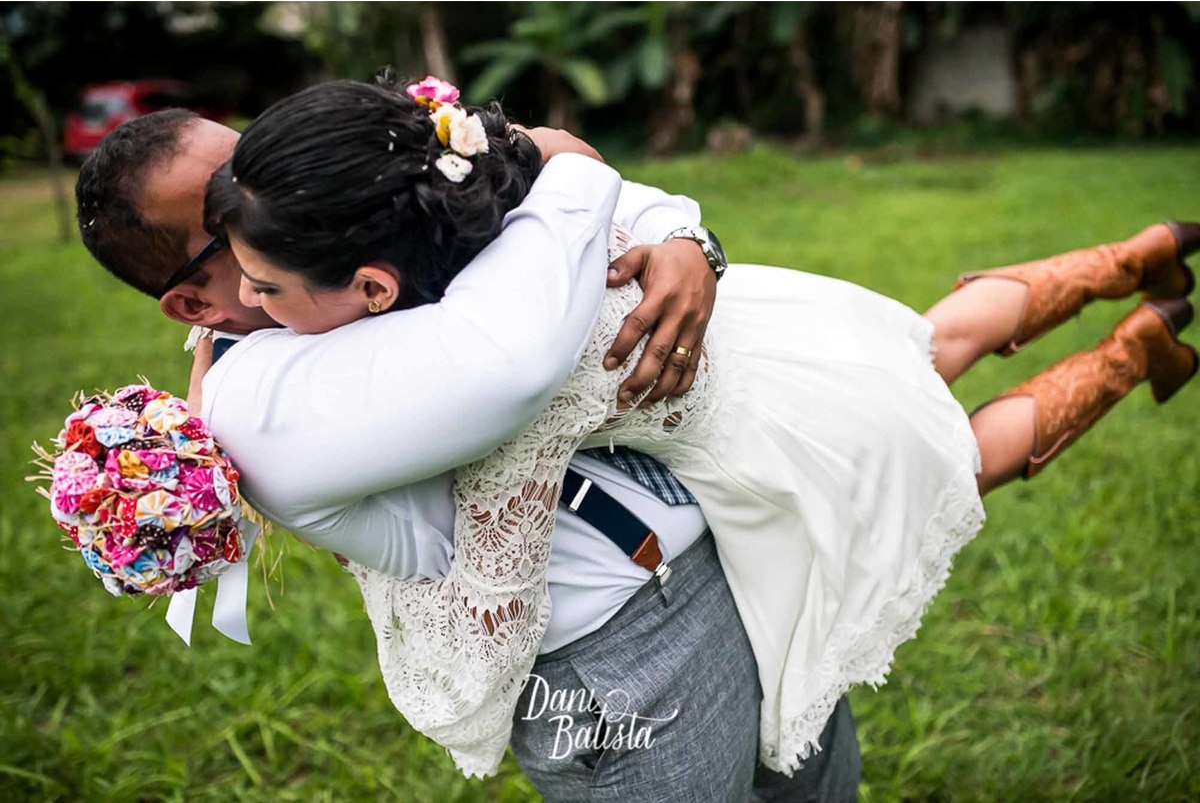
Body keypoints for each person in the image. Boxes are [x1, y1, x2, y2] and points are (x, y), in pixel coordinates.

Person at [202, 78, 1198, 779]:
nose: (245, 301)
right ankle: (1132, 252)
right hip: (785, 332)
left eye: (267, 284)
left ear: (373, 284)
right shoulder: (507, 237)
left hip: (772, 438)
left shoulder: (497, 364)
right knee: (932, 345)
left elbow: (469, 551)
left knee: (958, 461)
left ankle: (1136, 346)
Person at [76, 106, 861, 802]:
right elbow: (506, 357)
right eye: (225, 214)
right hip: (614, 654)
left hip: (719, 553)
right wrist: (557, 155)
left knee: (816, 775)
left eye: (251, 157)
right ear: (191, 300)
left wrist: (685, 240)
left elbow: (571, 200)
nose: (265, 185)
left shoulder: (330, 224)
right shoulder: (260, 397)